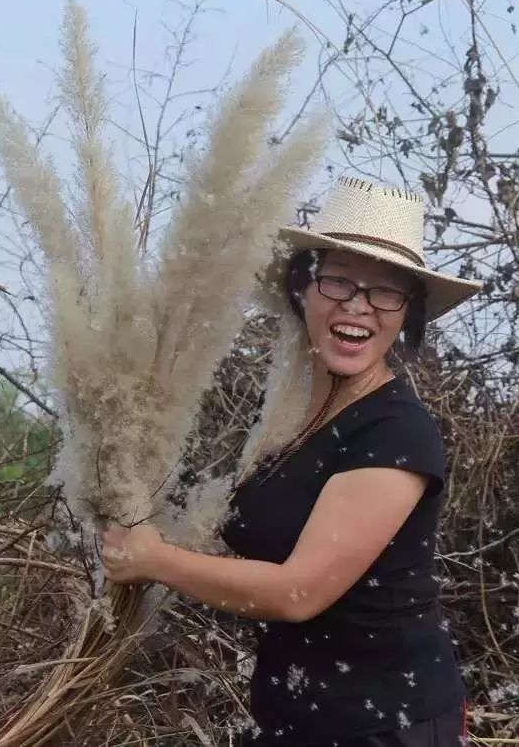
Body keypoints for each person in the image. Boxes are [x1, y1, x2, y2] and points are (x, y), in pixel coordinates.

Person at [102, 177, 481, 746]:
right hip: (298, 717)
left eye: (385, 292)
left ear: (407, 314)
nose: (357, 306)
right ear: (302, 290)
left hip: (382, 725)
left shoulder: (396, 432)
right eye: (338, 281)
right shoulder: (294, 415)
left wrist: (156, 559)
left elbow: (298, 592)